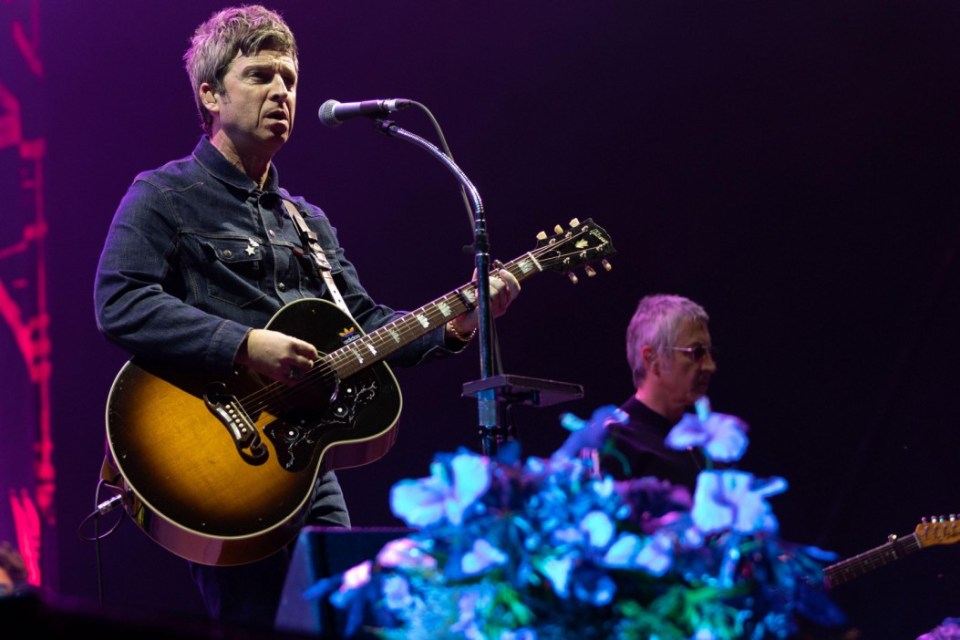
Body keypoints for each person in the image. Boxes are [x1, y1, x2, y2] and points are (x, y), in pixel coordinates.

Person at [92, 4, 520, 631]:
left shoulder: (307, 221)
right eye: (261, 76)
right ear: (210, 93)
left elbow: (364, 325)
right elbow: (119, 301)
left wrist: (459, 323)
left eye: (289, 79)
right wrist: (244, 345)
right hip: (222, 463)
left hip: (308, 459)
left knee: (342, 620)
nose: (282, 93)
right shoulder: (163, 194)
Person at [555, 294, 717, 489]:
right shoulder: (612, 442)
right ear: (652, 358)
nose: (710, 366)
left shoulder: (701, 445)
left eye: (709, 353)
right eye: (697, 352)